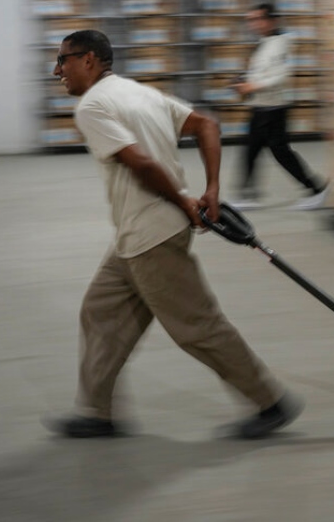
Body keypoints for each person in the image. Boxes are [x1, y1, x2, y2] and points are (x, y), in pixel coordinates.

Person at [44, 29, 302, 439]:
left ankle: (270, 402)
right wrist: (211, 189)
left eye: (63, 60)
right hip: (137, 234)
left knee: (197, 327)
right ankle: (95, 411)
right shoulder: (136, 93)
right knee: (101, 311)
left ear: (89, 59)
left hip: (154, 236)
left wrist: (188, 201)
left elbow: (140, 164)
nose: (57, 70)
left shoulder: (92, 106)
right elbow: (207, 125)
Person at [231, 3, 329, 211]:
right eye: (250, 20)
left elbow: (281, 76)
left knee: (281, 153)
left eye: (257, 19)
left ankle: (316, 188)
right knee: (251, 150)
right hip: (261, 106)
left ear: (271, 20)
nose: (253, 24)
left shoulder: (282, 44)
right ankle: (247, 195)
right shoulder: (265, 43)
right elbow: (262, 71)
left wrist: (252, 85)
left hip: (273, 109)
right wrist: (243, 81)